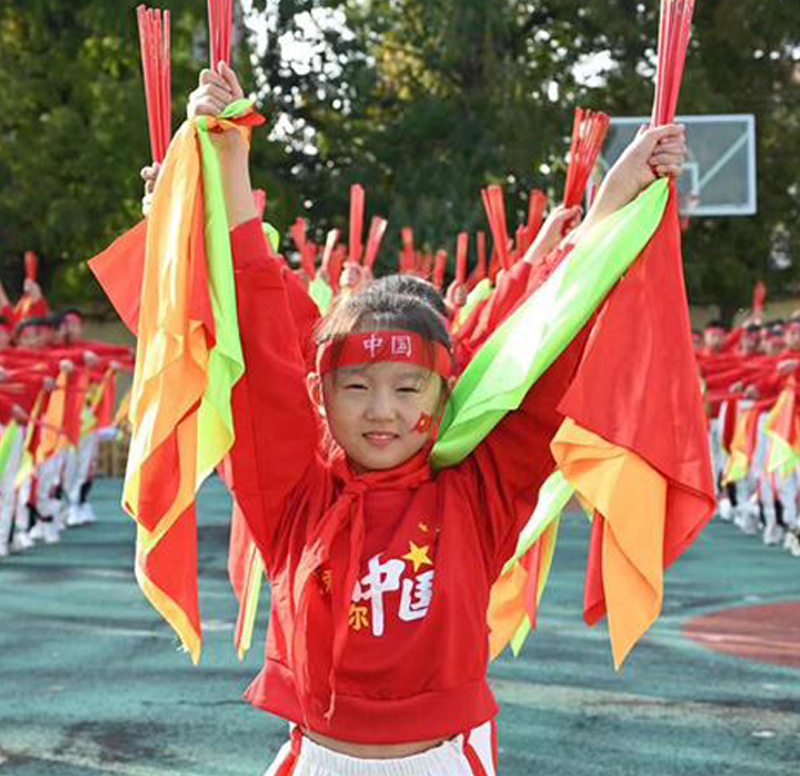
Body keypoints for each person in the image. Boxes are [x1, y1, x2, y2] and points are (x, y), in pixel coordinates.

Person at [175, 61, 687, 776]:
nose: (382, 411)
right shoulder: (291, 494)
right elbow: (255, 325)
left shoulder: (478, 495)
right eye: (356, 386)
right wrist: (226, 158)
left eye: (408, 389)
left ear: (442, 398)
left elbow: (543, 345)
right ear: (319, 397)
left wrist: (610, 205)